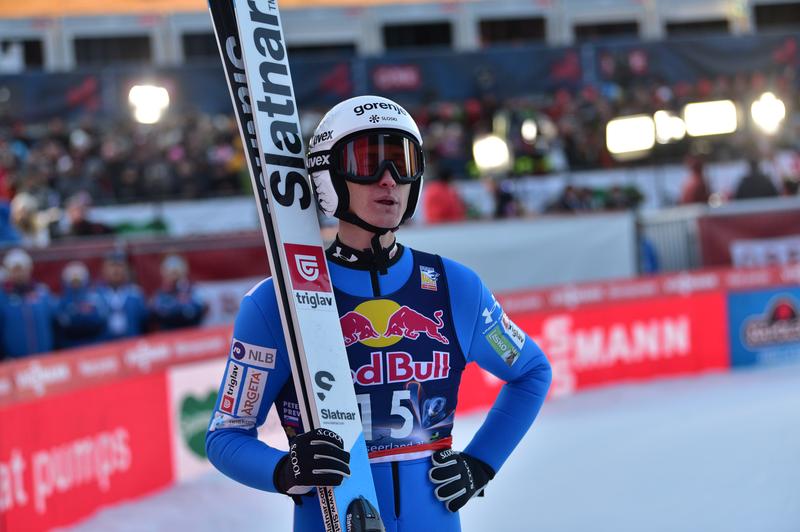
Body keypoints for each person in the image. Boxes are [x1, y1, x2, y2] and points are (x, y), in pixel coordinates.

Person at [206, 95, 552, 532]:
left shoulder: (455, 287)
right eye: (367, 161)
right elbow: (225, 435)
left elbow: (532, 371)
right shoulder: (276, 303)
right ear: (329, 177)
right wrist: (285, 470)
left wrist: (481, 464)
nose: (389, 180)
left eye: (402, 162)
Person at [0, 248, 57, 360]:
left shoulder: (42, 293)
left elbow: (55, 322)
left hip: (46, 360)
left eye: (22, 269)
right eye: (15, 269)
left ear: (29, 268)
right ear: (8, 271)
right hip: (14, 363)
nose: (19, 273)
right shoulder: (2, 297)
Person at [96, 250, 148, 340]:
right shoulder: (96, 296)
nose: (116, 270)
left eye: (119, 266)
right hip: (105, 347)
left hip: (131, 344)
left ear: (126, 269)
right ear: (104, 270)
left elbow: (144, 321)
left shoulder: (136, 294)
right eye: (112, 266)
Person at [54, 261, 108, 349]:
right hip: (71, 347)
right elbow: (64, 324)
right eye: (73, 281)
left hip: (94, 346)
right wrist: (82, 315)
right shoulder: (62, 301)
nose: (76, 284)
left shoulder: (95, 298)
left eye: (78, 280)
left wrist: (76, 314)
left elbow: (98, 321)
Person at [148, 254, 207, 331]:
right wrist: (181, 309)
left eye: (176, 272)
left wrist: (176, 309)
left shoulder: (193, 289)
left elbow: (196, 310)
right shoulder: (160, 294)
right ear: (164, 273)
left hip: (192, 335)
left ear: (183, 271)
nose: (174, 276)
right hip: (169, 337)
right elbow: (159, 313)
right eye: (170, 272)